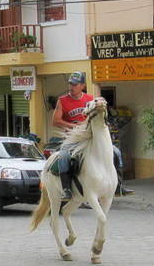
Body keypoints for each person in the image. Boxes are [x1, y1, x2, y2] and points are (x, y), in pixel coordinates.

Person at [52, 71, 131, 199]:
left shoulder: (90, 100)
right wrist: (73, 127)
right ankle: (67, 189)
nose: (72, 87)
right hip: (73, 139)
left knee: (116, 152)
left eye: (75, 84)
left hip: (90, 137)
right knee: (63, 157)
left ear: (83, 85)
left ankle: (119, 185)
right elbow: (55, 121)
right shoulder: (62, 101)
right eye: (70, 84)